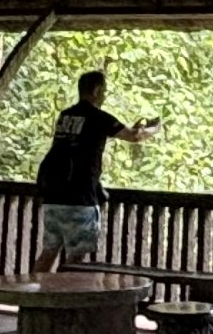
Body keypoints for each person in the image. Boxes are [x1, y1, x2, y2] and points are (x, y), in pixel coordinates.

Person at [32, 69, 159, 270]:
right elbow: (134, 137)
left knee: (48, 252)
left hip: (53, 196)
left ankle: (33, 299)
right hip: (80, 198)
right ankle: (68, 299)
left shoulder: (66, 115)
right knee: (76, 260)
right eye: (104, 91)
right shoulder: (100, 118)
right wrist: (154, 129)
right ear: (97, 90)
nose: (105, 95)